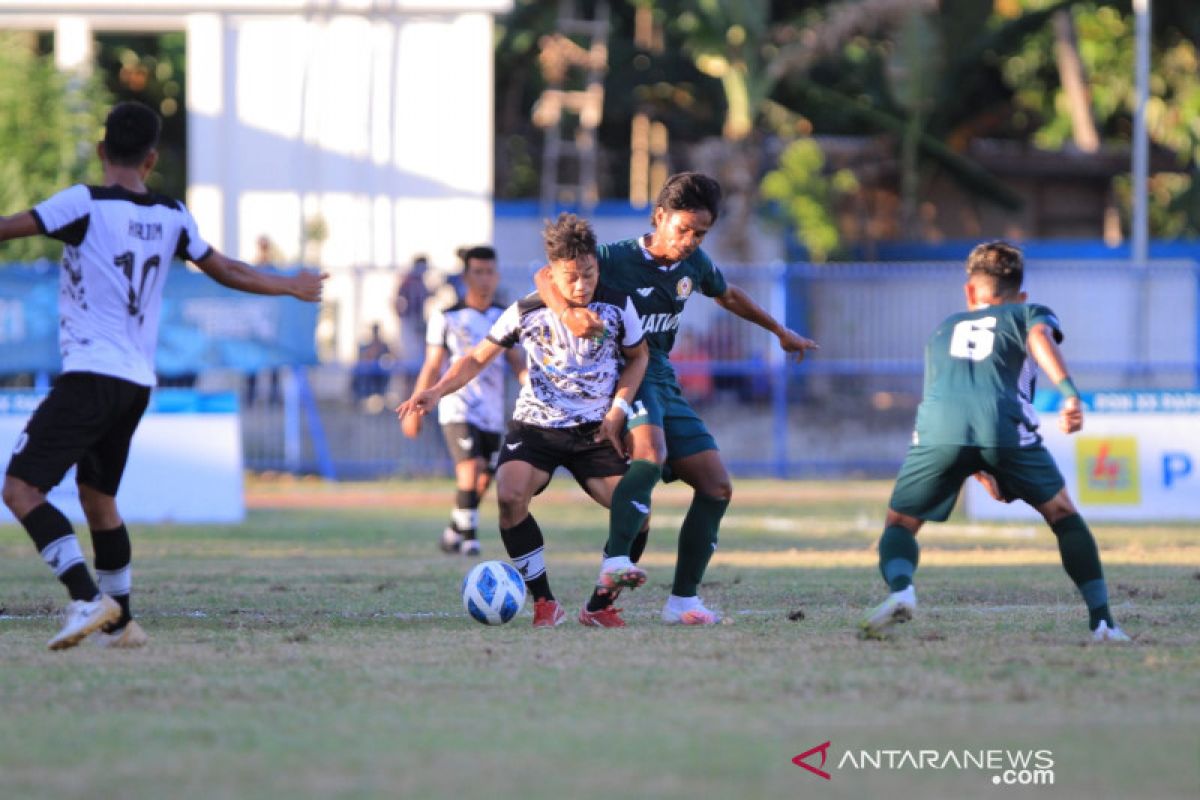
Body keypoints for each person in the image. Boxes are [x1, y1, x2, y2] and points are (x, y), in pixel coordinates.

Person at [0, 101, 326, 651]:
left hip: (90, 375)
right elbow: (227, 269)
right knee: (98, 498)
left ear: (103, 150)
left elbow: (9, 229)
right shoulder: (172, 215)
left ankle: (86, 598)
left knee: (21, 488)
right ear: (151, 160)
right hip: (134, 382)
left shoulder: (83, 203)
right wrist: (291, 285)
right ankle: (123, 622)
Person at [535, 172, 818, 625]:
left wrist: (780, 332)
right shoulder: (613, 258)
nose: (689, 240)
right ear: (659, 216)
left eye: (700, 233)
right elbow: (546, 275)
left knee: (716, 486)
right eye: (683, 229)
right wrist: (568, 312)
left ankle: (683, 601)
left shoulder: (694, 265)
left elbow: (727, 295)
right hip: (624, 372)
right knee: (650, 453)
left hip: (664, 376)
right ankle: (615, 563)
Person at [859, 241, 1129, 643]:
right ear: (1021, 295)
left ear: (970, 292)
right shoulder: (1027, 313)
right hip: (1002, 425)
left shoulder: (942, 329)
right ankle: (1103, 622)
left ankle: (902, 589)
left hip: (938, 428)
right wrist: (1069, 392)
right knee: (1062, 514)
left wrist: (974, 464)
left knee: (899, 524)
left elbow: (951, 395)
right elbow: (1038, 336)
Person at [398, 214, 651, 628]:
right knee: (510, 494)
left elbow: (639, 357)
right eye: (571, 277)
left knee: (637, 511)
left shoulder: (619, 305)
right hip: (536, 427)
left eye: (589, 274)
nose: (582, 285)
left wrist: (618, 410)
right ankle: (545, 603)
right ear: (551, 274)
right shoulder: (526, 309)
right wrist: (436, 390)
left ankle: (600, 605)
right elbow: (478, 357)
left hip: (595, 430)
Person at [401, 245, 526, 556]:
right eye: (478, 272)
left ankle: (453, 531)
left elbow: (517, 362)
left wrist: (536, 388)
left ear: (496, 276)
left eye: (490, 272)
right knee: (470, 467)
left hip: (492, 411)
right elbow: (432, 365)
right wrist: (416, 404)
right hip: (457, 406)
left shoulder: (504, 317)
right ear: (466, 277)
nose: (485, 279)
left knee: (484, 477)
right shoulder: (446, 317)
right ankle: (470, 539)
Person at [395, 255, 431, 365]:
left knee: (419, 350)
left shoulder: (421, 282)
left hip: (419, 320)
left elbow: (427, 296)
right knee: (409, 352)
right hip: (409, 320)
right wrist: (402, 315)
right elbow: (398, 299)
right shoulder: (408, 281)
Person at [352, 322, 394, 402]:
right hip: (369, 373)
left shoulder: (383, 345)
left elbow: (390, 357)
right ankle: (362, 398)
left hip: (380, 374)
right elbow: (364, 358)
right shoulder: (368, 344)